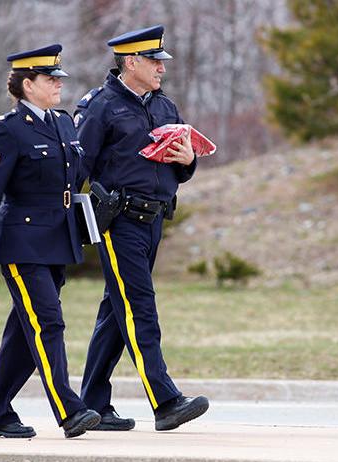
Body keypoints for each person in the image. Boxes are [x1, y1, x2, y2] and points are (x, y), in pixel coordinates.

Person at [75, 25, 209, 432]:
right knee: (139, 308)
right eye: (154, 61)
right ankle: (165, 401)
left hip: (154, 221)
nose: (161, 69)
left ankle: (93, 404)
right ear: (130, 62)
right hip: (119, 223)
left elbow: (180, 168)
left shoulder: (164, 107)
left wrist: (187, 160)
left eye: (161, 62)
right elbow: (77, 168)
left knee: (116, 314)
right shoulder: (99, 107)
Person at [0, 44, 100, 439]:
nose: (59, 84)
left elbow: (73, 182)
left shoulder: (63, 123)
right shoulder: (7, 129)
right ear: (27, 84)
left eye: (59, 77)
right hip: (22, 242)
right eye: (50, 79)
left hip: (58, 239)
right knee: (48, 322)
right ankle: (69, 409)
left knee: (25, 332)